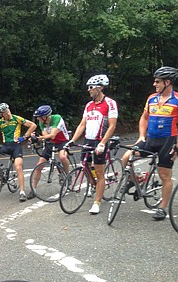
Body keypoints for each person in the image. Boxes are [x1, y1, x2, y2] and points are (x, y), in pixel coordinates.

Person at [121, 66, 178, 220]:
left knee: (164, 174)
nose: (154, 84)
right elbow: (144, 117)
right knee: (126, 157)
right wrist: (141, 135)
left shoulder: (177, 100)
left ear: (168, 82)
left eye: (158, 81)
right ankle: (136, 179)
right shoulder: (152, 98)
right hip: (150, 140)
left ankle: (162, 208)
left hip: (168, 142)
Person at [66, 74, 118, 214]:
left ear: (100, 88)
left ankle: (97, 202)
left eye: (91, 88)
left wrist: (103, 143)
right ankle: (93, 185)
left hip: (100, 140)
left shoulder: (110, 103)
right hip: (88, 140)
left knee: (99, 172)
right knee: (86, 165)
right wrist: (72, 140)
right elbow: (82, 125)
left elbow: (112, 126)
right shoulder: (89, 105)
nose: (89, 90)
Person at [0, 102, 37, 202]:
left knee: (18, 166)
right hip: (5, 145)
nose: (8, 113)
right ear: (1, 114)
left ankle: (22, 192)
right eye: (5, 112)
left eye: (8, 110)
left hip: (16, 146)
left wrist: (24, 137)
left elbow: (33, 125)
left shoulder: (16, 118)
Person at [28, 105, 70, 199]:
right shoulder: (42, 122)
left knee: (63, 157)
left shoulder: (57, 118)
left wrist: (38, 138)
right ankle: (33, 189)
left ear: (45, 116)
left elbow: (52, 135)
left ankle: (67, 175)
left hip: (62, 141)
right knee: (39, 165)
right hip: (51, 142)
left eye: (39, 117)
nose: (37, 119)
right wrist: (36, 139)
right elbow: (46, 135)